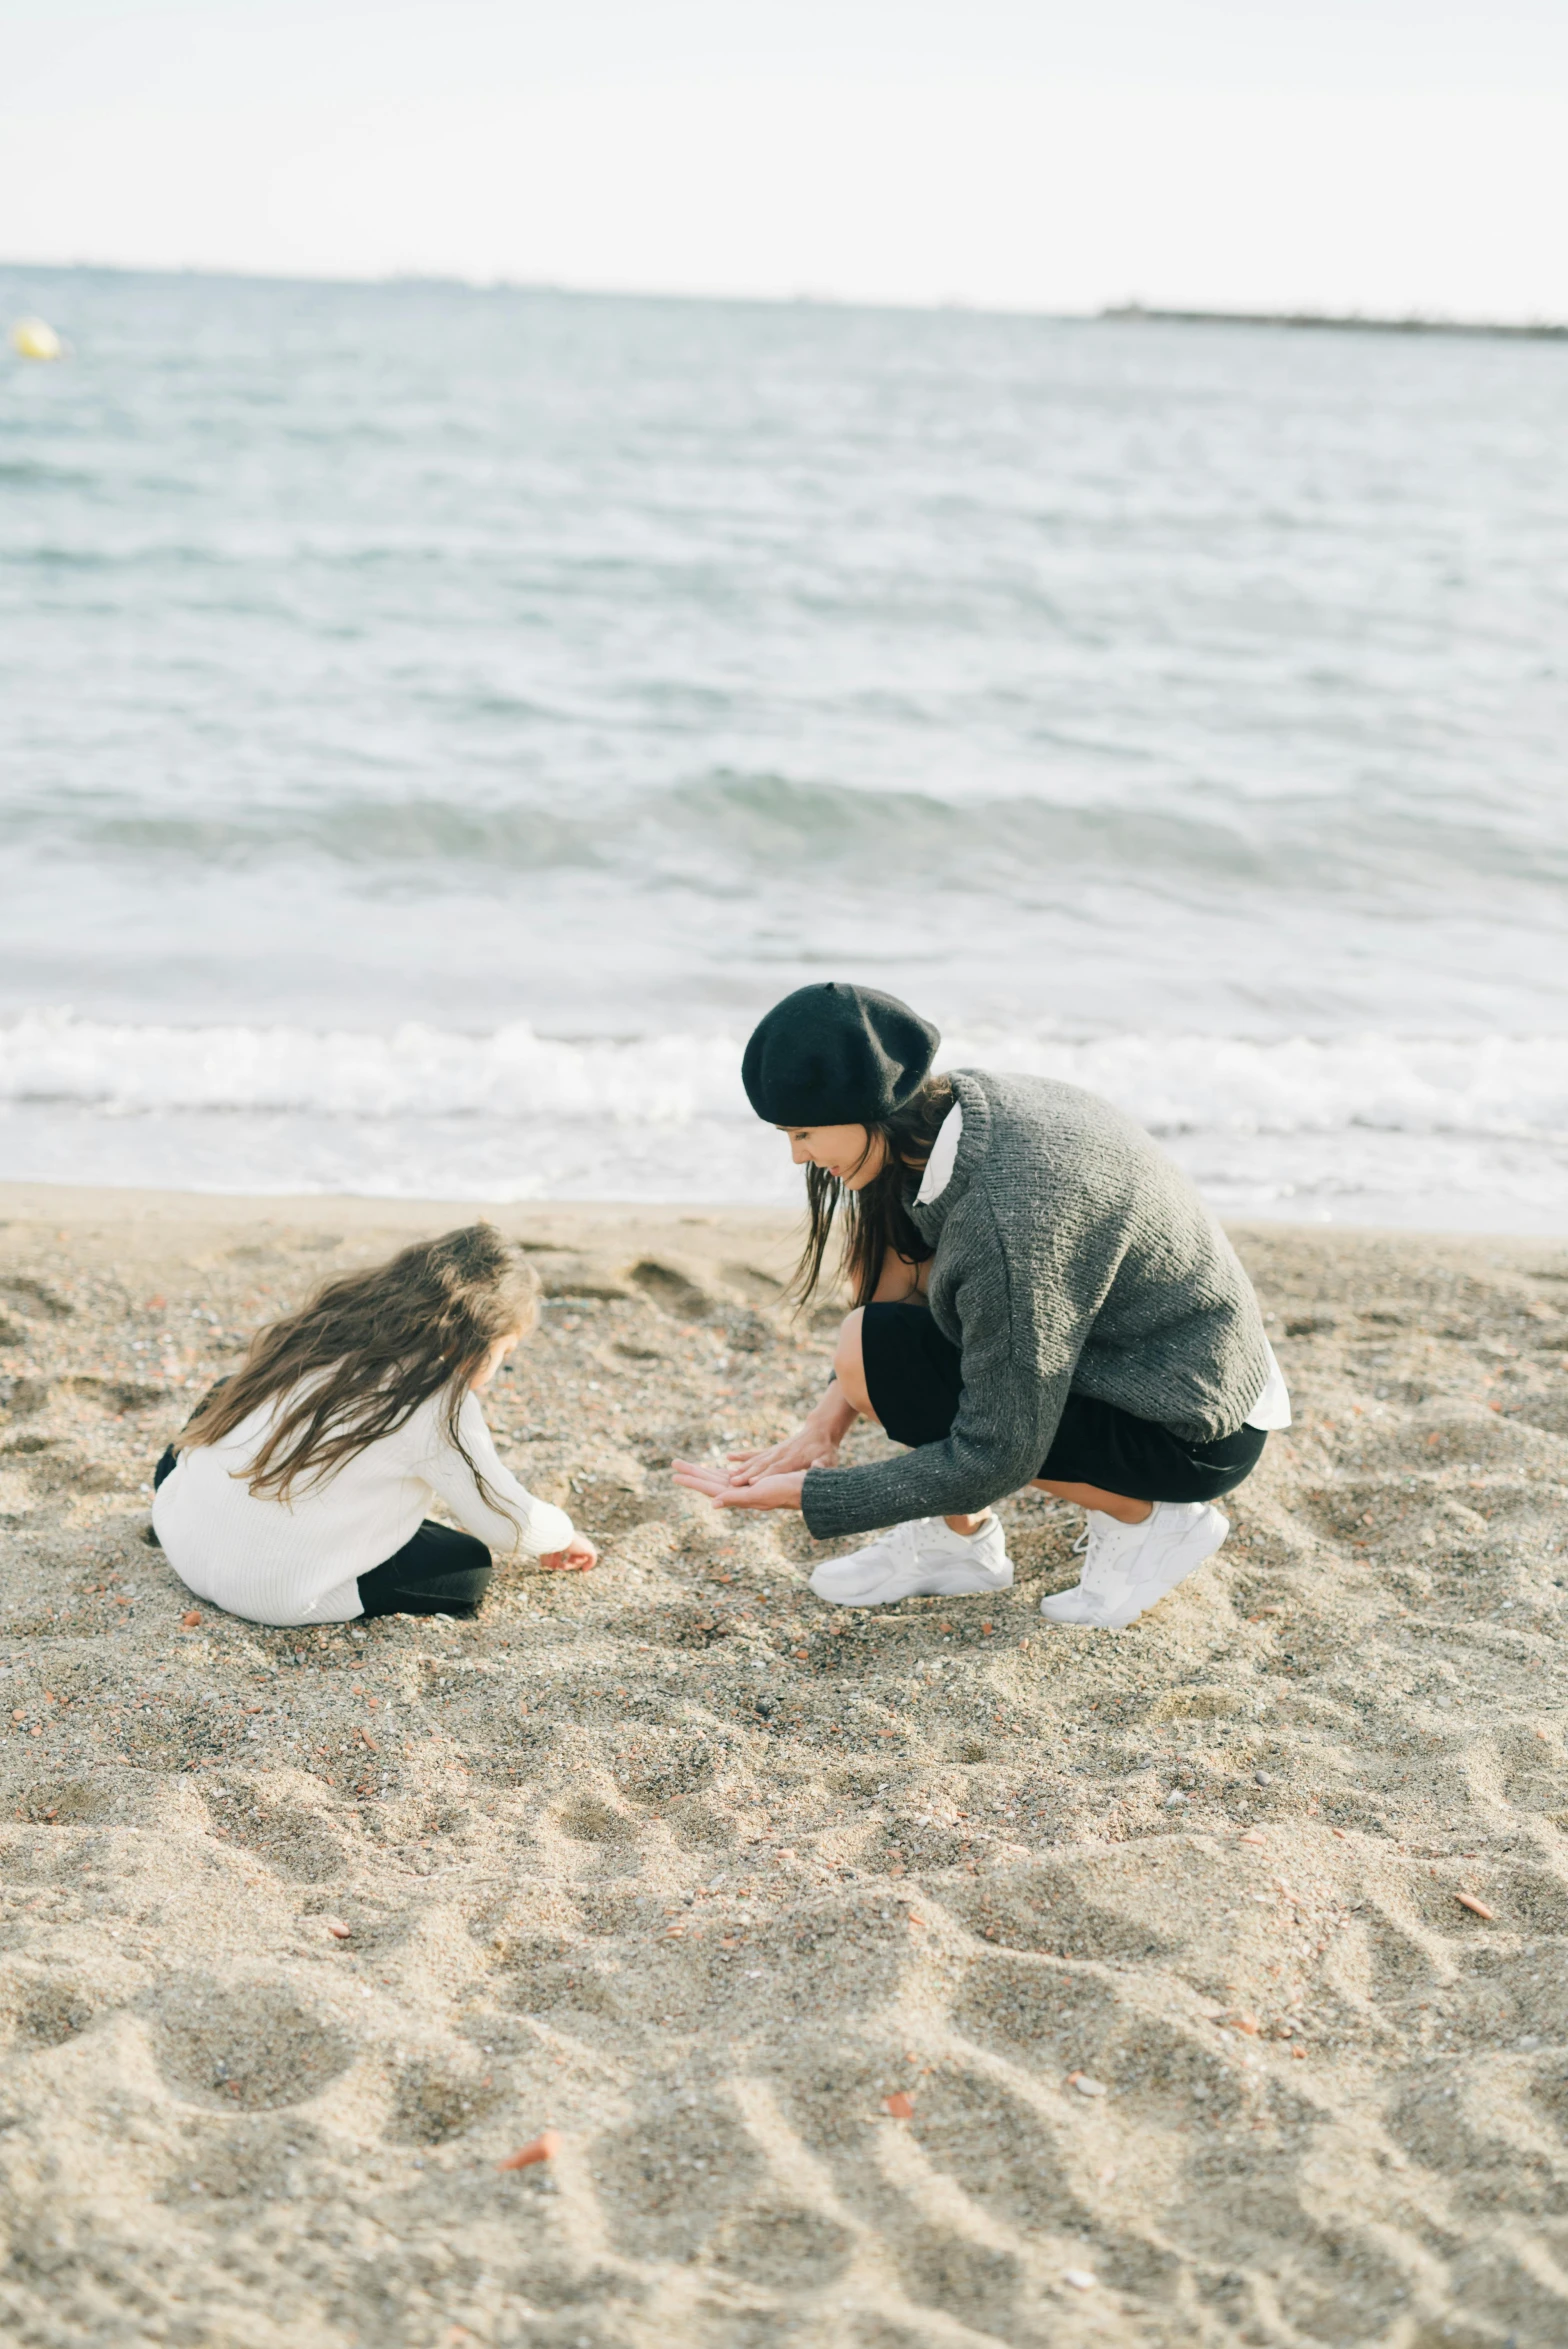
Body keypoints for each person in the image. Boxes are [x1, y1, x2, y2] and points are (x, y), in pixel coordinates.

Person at [675, 983, 1289, 1628]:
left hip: (1194, 1426)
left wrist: (814, 1498)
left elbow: (998, 1453)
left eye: (802, 1132)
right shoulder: (951, 1114)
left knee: (897, 1371)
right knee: (868, 1348)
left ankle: (1149, 1520)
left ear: (869, 1107)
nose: (798, 1155)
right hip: (1159, 1358)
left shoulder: (1008, 1217)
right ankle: (956, 1543)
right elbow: (883, 1317)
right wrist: (821, 1428)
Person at [152, 1224, 595, 1627]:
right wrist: (562, 1534)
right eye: (505, 1352)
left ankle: (205, 1504)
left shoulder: (323, 1327)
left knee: (230, 1392)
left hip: (181, 1539)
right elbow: (506, 1524)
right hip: (272, 1594)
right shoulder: (436, 1397)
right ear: (480, 1338)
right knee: (468, 1565)